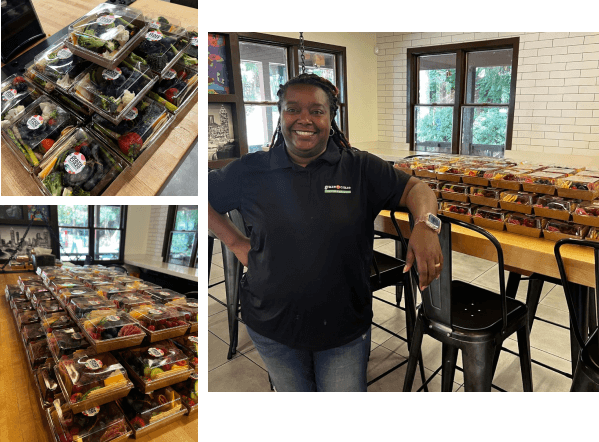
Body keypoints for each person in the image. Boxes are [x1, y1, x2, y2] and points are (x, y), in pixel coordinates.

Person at [208, 73, 443, 392]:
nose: (304, 119)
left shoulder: (360, 167)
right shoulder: (252, 169)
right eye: (293, 109)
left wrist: (426, 225)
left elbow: (418, 188)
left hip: (343, 330)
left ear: (331, 117)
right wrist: (234, 241)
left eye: (317, 111)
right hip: (271, 325)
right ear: (281, 113)